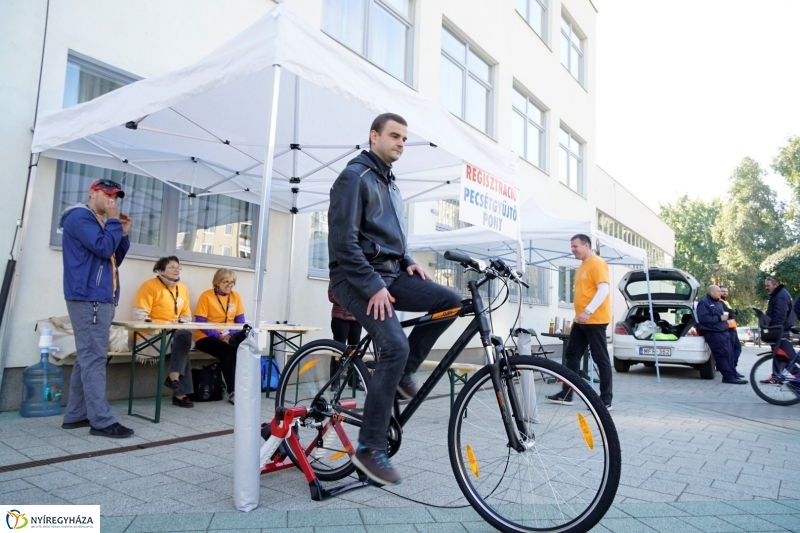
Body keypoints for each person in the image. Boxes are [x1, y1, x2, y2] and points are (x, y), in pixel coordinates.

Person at [328, 113, 462, 486]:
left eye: (405, 138)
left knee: (450, 301)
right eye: (394, 136)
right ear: (374, 136)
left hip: (389, 274)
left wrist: (407, 261)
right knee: (395, 345)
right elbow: (344, 243)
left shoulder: (391, 182)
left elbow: (389, 239)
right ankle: (370, 448)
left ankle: (403, 374)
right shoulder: (354, 178)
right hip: (354, 278)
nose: (401, 143)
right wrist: (372, 284)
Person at [60, 179, 134, 438]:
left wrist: (121, 233)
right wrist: (113, 222)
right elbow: (103, 248)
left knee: (87, 357)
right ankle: (101, 421)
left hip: (99, 298)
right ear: (93, 193)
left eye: (116, 196)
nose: (113, 200)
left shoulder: (99, 221)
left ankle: (76, 414)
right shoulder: (80, 217)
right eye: (108, 194)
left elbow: (114, 257)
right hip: (89, 298)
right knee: (94, 358)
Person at [546, 234, 614, 410]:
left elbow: (603, 289)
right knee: (572, 354)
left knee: (601, 359)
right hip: (581, 320)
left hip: (595, 320)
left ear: (587, 245)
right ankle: (567, 393)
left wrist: (589, 311)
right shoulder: (583, 266)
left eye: (575, 246)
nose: (573, 249)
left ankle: (606, 400)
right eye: (572, 246)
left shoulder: (598, 263)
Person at [132, 256, 194, 407]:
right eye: (171, 267)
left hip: (175, 334)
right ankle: (179, 392)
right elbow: (139, 316)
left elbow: (186, 315)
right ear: (160, 270)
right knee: (183, 343)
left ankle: (174, 379)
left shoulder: (183, 288)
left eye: (178, 267)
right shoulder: (149, 286)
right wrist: (162, 326)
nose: (176, 270)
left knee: (184, 336)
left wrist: (179, 324)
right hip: (151, 335)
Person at [194, 269, 246, 405]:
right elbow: (200, 323)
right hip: (206, 337)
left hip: (229, 336)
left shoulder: (236, 297)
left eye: (232, 282)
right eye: (226, 282)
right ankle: (233, 392)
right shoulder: (206, 296)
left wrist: (229, 335)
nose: (229, 285)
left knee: (245, 346)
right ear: (217, 282)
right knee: (227, 350)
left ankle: (245, 389)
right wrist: (218, 336)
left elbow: (240, 322)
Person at [696, 285, 746, 384]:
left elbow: (727, 314)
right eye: (719, 291)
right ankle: (728, 377)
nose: (721, 293)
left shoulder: (719, 303)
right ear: (711, 292)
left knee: (730, 355)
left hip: (724, 332)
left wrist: (732, 313)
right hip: (713, 333)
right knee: (722, 355)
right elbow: (703, 318)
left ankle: (733, 375)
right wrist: (719, 318)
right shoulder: (704, 303)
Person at [328, 281, 363, 393]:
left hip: (356, 319)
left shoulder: (358, 276)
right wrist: (350, 299)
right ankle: (335, 382)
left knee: (355, 351)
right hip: (340, 318)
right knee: (338, 351)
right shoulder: (337, 276)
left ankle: (354, 381)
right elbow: (332, 296)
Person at [719, 287, 743, 377]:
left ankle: (733, 368)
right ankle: (731, 369)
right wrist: (733, 312)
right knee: (732, 350)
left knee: (737, 348)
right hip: (727, 329)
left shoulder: (725, 301)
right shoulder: (720, 302)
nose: (725, 293)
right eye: (723, 291)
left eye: (726, 291)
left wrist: (734, 312)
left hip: (732, 329)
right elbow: (730, 314)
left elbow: (732, 313)